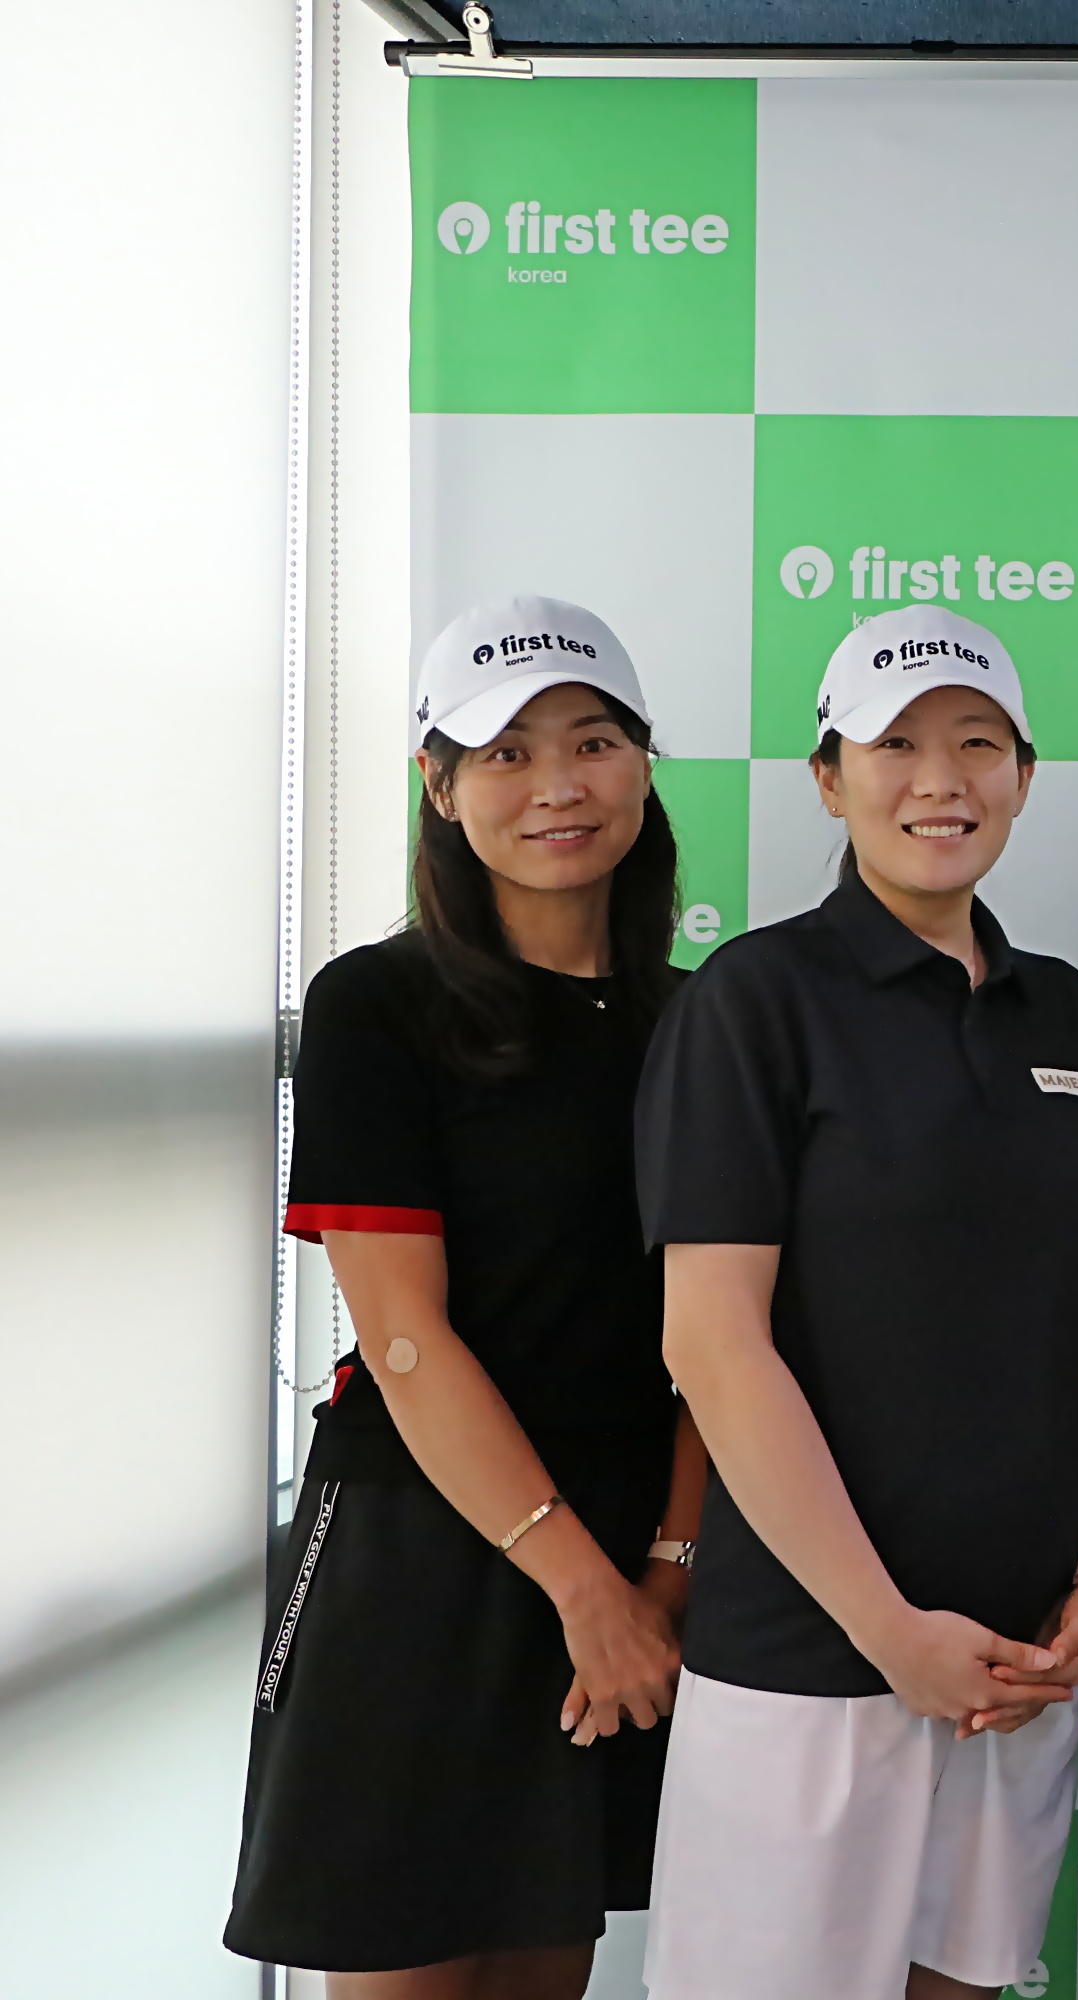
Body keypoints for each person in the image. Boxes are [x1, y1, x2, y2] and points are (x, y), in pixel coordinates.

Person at [632, 605, 1078, 2000]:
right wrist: (886, 1630)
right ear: (828, 778)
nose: (940, 780)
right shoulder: (755, 1000)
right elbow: (713, 1344)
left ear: (1024, 775)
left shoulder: (1072, 1017)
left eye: (977, 744)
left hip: (1018, 1656)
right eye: (895, 745)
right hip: (809, 1659)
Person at [228, 595, 706, 1998]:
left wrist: (664, 1573)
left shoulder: (700, 1019)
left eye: (593, 741)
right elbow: (404, 1338)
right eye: (505, 753)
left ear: (643, 763)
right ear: (439, 788)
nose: (557, 784)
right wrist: (588, 1591)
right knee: (407, 1963)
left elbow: (723, 1337)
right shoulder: (379, 1004)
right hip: (424, 1545)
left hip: (624, 1539)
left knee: (544, 1963)